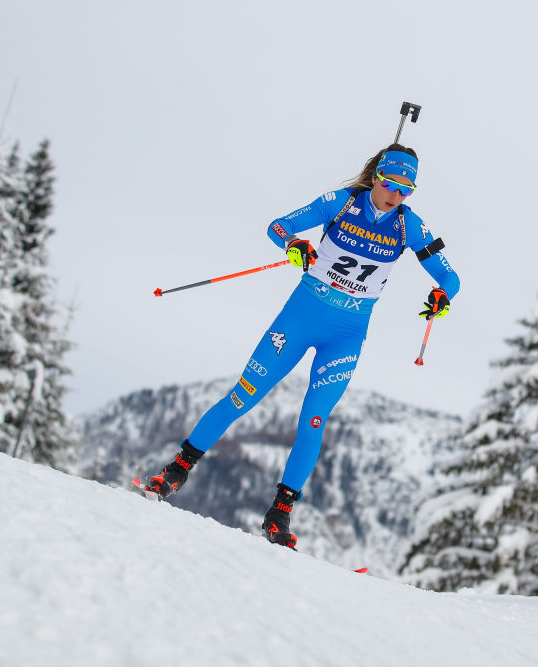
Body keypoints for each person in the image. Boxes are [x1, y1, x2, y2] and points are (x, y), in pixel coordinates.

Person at [138, 144, 459, 548]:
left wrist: (441, 298)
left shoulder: (410, 226)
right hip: (300, 320)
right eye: (393, 184)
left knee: (313, 420)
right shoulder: (340, 204)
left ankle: (279, 515)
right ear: (378, 176)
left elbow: (449, 277)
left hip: (345, 336)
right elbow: (278, 226)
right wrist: (294, 244)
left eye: (407, 189)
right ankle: (177, 470)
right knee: (243, 397)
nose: (398, 195)